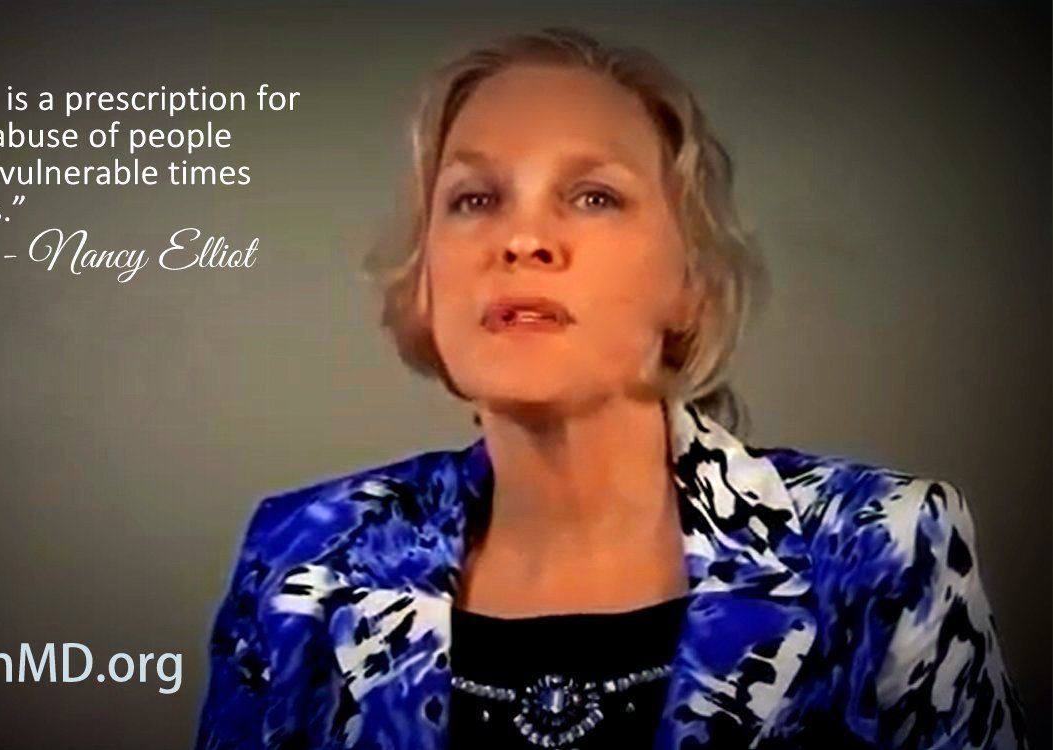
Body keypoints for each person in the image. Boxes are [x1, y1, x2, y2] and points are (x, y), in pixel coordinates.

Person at [195, 28, 1026, 750]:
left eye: (593, 196)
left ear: (688, 281)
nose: (522, 238)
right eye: (474, 198)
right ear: (425, 281)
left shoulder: (877, 546)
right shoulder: (301, 561)